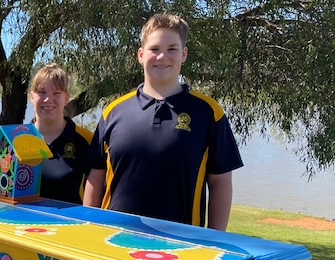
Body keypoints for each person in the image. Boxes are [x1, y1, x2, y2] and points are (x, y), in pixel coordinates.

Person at [83, 13, 243, 230]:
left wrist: (216, 239)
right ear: (140, 54)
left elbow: (220, 182)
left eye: (172, 49)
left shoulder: (208, 113)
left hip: (181, 247)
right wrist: (88, 229)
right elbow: (96, 177)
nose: (162, 57)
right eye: (154, 49)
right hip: (113, 242)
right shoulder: (113, 111)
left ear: (184, 54)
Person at [29, 63, 93, 204]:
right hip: (21, 224)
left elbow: (99, 195)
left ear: (66, 98)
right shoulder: (15, 140)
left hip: (71, 225)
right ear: (32, 97)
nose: (48, 99)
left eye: (56, 93)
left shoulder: (87, 141)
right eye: (41, 92)